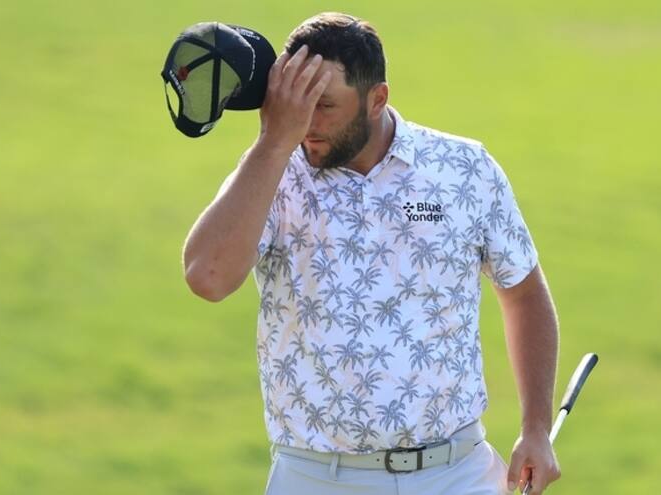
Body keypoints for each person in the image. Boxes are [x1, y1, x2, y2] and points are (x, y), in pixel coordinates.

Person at [182, 12, 561, 495]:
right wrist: (273, 141)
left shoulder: (465, 169)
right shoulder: (272, 171)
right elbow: (207, 277)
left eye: (324, 106)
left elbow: (524, 294)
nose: (306, 125)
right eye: (295, 105)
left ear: (377, 98)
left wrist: (535, 429)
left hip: (457, 474)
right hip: (315, 478)